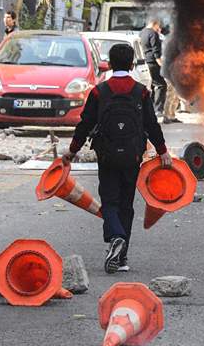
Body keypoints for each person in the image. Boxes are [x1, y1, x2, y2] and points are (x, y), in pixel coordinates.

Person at [63, 43, 172, 274]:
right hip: (133, 156)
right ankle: (122, 258)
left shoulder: (98, 91)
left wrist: (72, 151)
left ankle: (116, 236)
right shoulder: (141, 91)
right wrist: (163, 151)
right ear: (133, 65)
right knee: (126, 204)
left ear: (109, 65)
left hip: (107, 155)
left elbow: (85, 124)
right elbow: (151, 125)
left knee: (109, 200)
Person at [139, 17, 166, 118]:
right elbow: (156, 51)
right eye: (159, 25)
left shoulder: (142, 32)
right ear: (156, 23)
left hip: (146, 62)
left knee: (152, 86)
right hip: (153, 63)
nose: (159, 28)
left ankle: (151, 108)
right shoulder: (153, 33)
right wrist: (161, 64)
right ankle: (158, 110)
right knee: (161, 85)